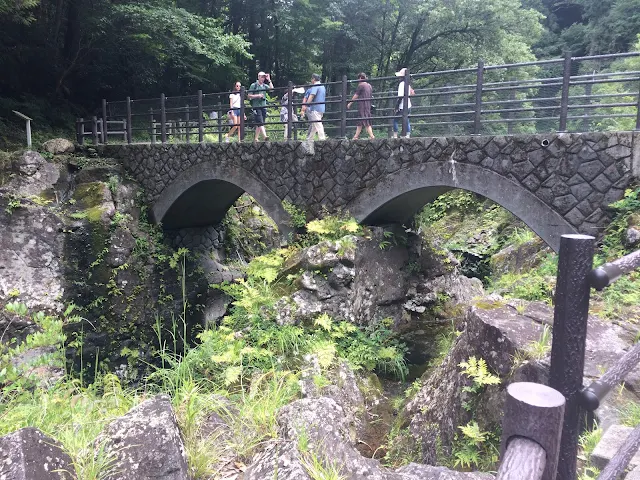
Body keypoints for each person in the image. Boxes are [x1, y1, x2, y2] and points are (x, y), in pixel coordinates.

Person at [347, 72, 375, 139]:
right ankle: (356, 136)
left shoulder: (361, 85)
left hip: (362, 105)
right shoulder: (369, 86)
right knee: (361, 120)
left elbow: (356, 95)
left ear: (360, 78)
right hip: (368, 104)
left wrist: (350, 103)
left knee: (365, 119)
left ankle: (372, 136)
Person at [248, 71, 273, 142]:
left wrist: (269, 80)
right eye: (262, 77)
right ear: (258, 77)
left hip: (263, 106)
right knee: (260, 121)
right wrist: (257, 96)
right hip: (256, 106)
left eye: (264, 77)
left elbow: (272, 89)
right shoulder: (254, 85)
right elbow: (249, 95)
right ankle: (265, 136)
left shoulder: (264, 86)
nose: (263, 78)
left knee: (260, 123)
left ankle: (256, 138)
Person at [300, 73, 326, 141]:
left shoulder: (315, 86)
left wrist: (306, 104)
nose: (311, 80)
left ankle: (322, 139)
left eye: (312, 78)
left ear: (314, 79)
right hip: (322, 107)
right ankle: (310, 138)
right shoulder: (322, 86)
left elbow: (312, 95)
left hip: (315, 107)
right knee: (314, 125)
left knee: (318, 123)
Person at [392, 67, 415, 138]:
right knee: (406, 119)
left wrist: (396, 106)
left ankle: (395, 135)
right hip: (408, 104)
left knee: (395, 120)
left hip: (402, 106)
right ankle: (407, 134)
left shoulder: (402, 84)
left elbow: (400, 96)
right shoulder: (408, 84)